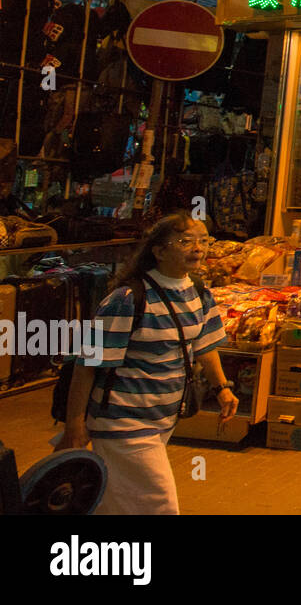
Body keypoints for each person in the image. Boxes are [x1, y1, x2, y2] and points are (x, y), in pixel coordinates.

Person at [54, 212, 237, 514]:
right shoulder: (128, 298)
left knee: (117, 501)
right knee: (159, 503)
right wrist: (75, 425)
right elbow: (87, 364)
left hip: (163, 419)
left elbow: (204, 344)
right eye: (185, 241)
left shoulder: (198, 291)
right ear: (160, 251)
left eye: (203, 241)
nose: (198, 248)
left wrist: (222, 388)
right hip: (122, 421)